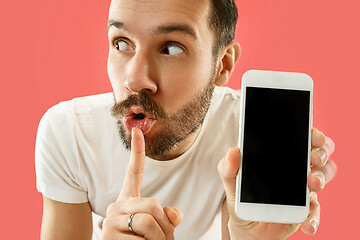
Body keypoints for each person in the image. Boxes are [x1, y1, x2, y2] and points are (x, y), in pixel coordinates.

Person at [35, 0, 337, 239]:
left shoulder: (247, 133)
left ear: (222, 64)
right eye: (122, 43)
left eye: (171, 48)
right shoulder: (68, 133)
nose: (135, 80)